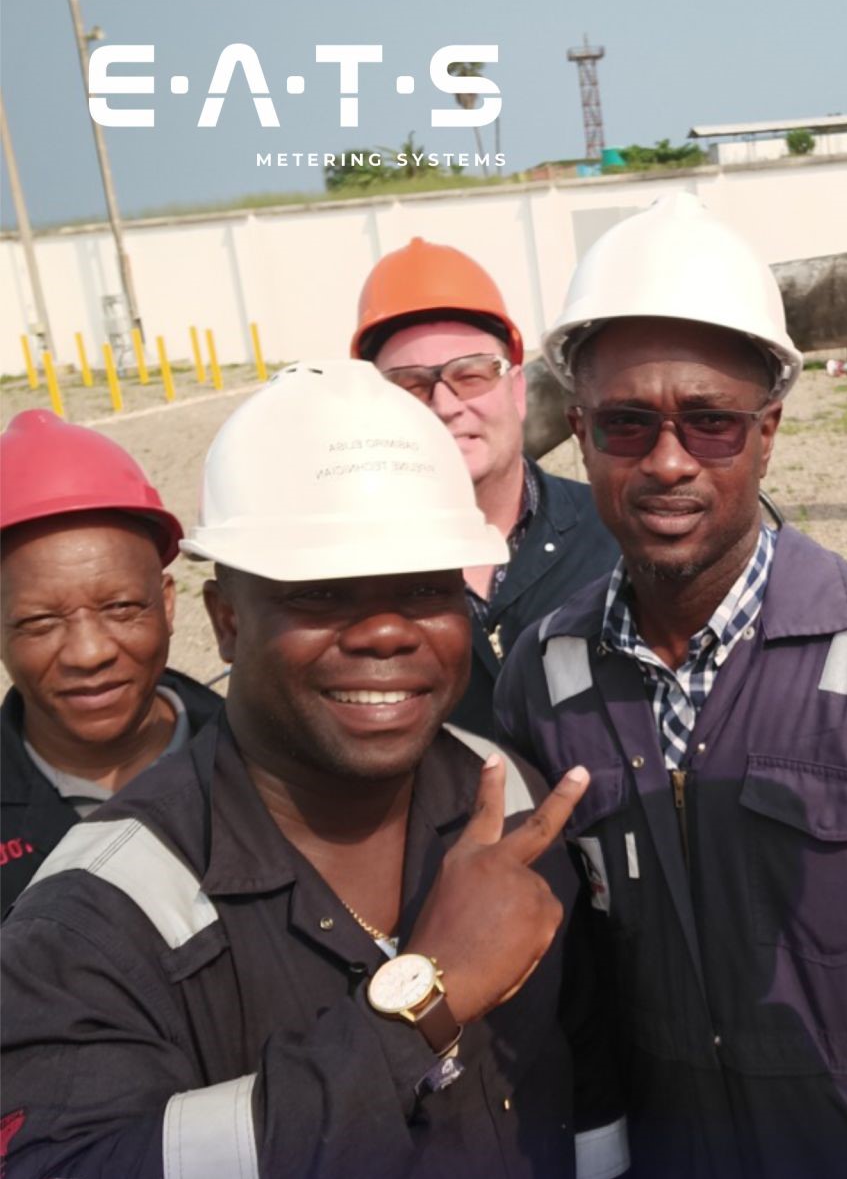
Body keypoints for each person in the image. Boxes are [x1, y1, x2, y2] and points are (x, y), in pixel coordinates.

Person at [1, 362, 625, 1179]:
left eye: (424, 585)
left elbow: (584, 1078)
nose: (385, 633)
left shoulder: (507, 795)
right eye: (323, 592)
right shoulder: (96, 913)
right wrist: (419, 1011)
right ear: (227, 622)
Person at [499, 193, 847, 1179]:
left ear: (768, 432)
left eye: (710, 424)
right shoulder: (544, 677)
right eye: (627, 425)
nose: (668, 462)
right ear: (579, 434)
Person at [354, 238, 617, 736]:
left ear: (517, 390)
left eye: (471, 374)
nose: (445, 405)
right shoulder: (349, 570)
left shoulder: (613, 537)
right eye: (409, 386)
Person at [0, 410, 220, 915]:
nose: (89, 653)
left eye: (120, 608)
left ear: (167, 604)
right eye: (39, 621)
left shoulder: (274, 766)